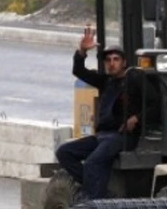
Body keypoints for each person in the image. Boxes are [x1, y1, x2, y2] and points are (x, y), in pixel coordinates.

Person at [55, 25, 143, 199]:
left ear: (124, 62)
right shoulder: (106, 81)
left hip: (121, 136)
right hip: (101, 135)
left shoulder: (135, 80)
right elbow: (78, 71)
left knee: (93, 163)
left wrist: (137, 118)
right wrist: (82, 51)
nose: (112, 63)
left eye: (116, 59)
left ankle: (93, 197)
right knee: (64, 152)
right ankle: (97, 190)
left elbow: (154, 105)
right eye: (108, 60)